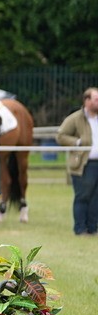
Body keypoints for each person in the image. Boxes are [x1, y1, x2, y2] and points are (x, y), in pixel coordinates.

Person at [56, 87, 98, 236]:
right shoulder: (75, 118)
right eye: (96, 99)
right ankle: (80, 229)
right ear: (87, 101)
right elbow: (61, 136)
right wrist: (78, 142)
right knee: (83, 196)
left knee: (95, 198)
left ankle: (93, 228)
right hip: (83, 165)